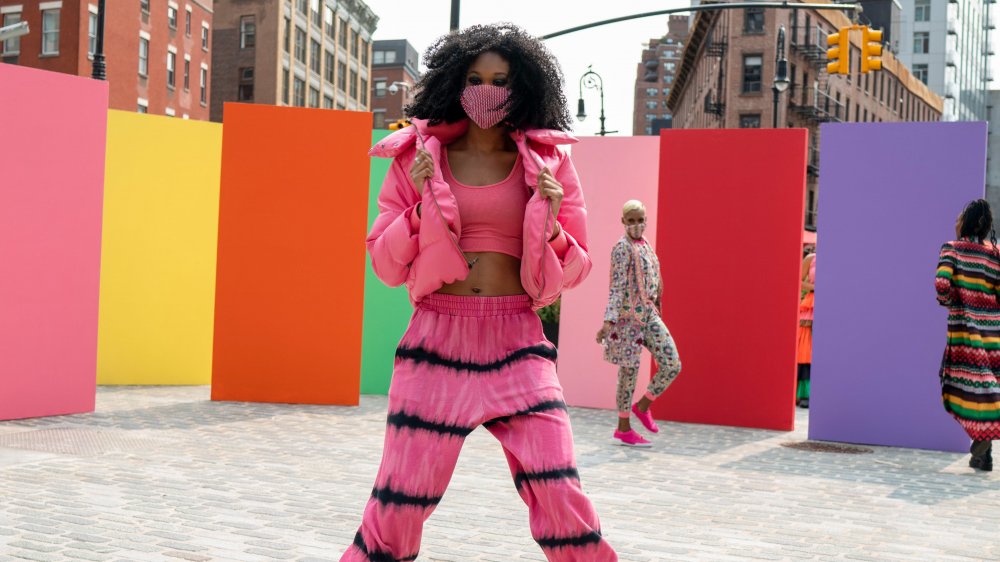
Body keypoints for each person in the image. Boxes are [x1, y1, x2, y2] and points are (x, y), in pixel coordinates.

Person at [342, 24, 618, 561]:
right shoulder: (416, 159)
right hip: (437, 339)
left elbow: (577, 268)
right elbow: (384, 262)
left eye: (500, 80)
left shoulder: (551, 164)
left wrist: (554, 219)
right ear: (452, 82)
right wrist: (422, 204)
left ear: (524, 88)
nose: (486, 91)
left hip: (517, 340)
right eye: (474, 78)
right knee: (401, 497)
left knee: (558, 485)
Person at [596, 200, 682, 447]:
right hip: (627, 319)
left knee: (672, 363)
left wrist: (659, 305)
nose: (636, 224)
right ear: (623, 222)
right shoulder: (621, 248)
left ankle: (643, 406)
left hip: (649, 315)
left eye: (640, 219)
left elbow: (656, 277)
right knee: (628, 373)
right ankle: (623, 428)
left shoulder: (646, 245)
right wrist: (608, 321)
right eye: (631, 220)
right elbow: (617, 286)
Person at [936, 199, 1000, 472]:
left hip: (966, 331)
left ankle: (981, 445)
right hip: (994, 332)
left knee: (965, 386)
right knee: (986, 388)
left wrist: (953, 302)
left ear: (966, 222)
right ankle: (983, 454)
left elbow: (941, 284)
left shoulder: (953, 249)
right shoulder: (995, 253)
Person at [797, 247, 816, 408]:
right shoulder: (811, 258)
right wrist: (815, 287)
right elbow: (798, 281)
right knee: (807, 349)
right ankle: (806, 393)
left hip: (834, 303)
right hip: (811, 304)